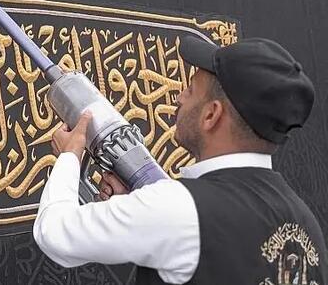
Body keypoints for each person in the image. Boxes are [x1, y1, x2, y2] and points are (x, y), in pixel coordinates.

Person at [33, 36, 328, 284]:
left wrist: (70, 156)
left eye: (190, 90)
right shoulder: (305, 224)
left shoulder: (178, 208)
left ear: (211, 115)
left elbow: (55, 234)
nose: (179, 98)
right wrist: (139, 208)